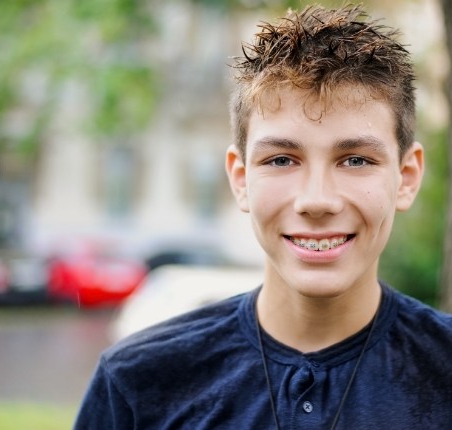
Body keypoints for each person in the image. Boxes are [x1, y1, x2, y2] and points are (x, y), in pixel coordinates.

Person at [74, 5, 452, 429]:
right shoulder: (137, 383)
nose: (317, 200)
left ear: (406, 177)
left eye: (356, 160)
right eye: (281, 160)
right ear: (240, 178)